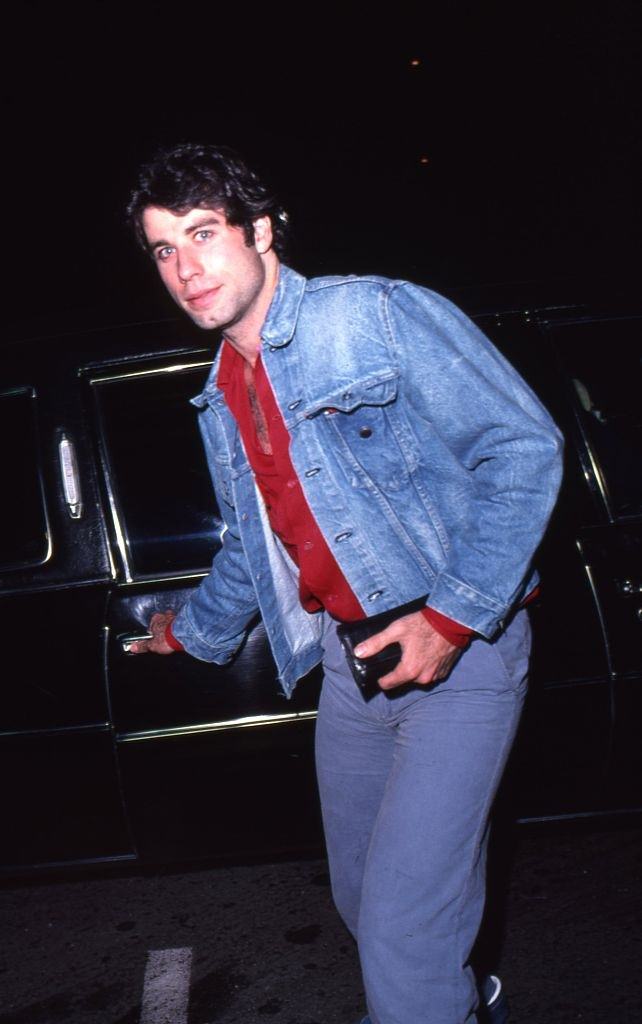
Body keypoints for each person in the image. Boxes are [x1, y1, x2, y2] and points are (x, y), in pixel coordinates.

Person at [125, 142, 563, 1024]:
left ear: (262, 230)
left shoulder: (374, 317)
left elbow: (523, 447)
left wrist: (453, 617)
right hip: (351, 665)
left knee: (405, 932)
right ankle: (456, 1002)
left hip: (458, 649)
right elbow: (255, 551)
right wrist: (192, 630)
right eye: (165, 249)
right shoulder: (224, 393)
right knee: (365, 903)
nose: (185, 267)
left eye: (203, 234)